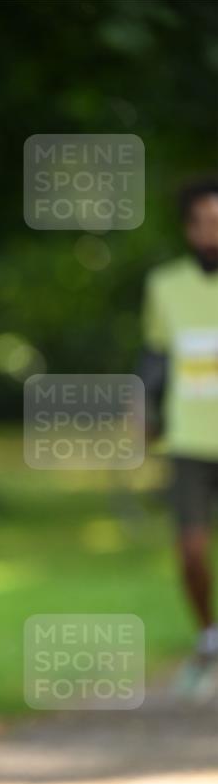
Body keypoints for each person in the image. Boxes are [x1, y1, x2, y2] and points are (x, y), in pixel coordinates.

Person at [139, 176, 218, 702]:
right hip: (190, 441)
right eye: (207, 221)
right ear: (190, 229)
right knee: (191, 550)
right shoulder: (166, 286)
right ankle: (208, 637)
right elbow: (156, 357)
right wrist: (141, 406)